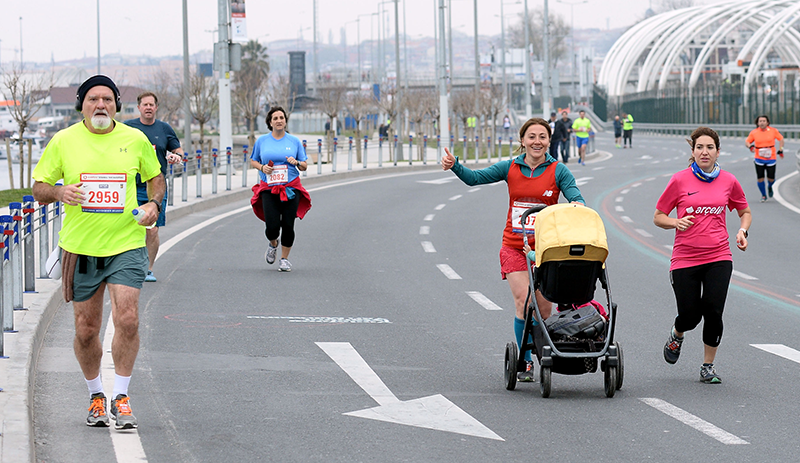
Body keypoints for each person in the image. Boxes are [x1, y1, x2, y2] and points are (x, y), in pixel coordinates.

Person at [31, 75, 164, 429]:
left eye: (107, 99)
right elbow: (38, 187)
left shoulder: (135, 139)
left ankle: (121, 396)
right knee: (86, 329)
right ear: (82, 105)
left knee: (128, 319)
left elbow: (156, 178)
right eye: (93, 100)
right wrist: (60, 193)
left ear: (117, 104)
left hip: (126, 244)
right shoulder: (63, 141)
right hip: (81, 249)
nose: (100, 105)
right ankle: (95, 395)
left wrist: (152, 204)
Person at [441, 118, 585, 382]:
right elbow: (475, 179)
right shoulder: (510, 168)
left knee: (543, 311)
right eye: (531, 137)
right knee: (524, 301)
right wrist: (455, 167)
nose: (537, 142)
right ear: (522, 141)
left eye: (542, 137)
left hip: (546, 250)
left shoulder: (558, 170)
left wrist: (575, 206)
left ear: (548, 141)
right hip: (514, 246)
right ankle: (525, 359)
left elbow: (576, 198)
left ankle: (544, 351)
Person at [654, 127, 751, 384]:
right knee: (690, 315)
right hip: (685, 258)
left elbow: (745, 211)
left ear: (718, 151)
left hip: (719, 255)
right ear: (693, 151)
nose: (704, 152)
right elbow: (658, 217)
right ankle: (677, 334)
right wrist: (675, 223)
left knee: (713, 310)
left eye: (709, 147)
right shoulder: (679, 180)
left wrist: (743, 231)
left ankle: (708, 365)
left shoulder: (729, 181)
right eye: (699, 147)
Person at [125, 92, 184, 282]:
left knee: (152, 229)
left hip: (156, 186)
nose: (148, 107)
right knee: (131, 228)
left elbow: (178, 150)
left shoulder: (164, 128)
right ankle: (130, 265)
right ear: (139, 107)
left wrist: (177, 157)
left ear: (156, 107)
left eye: (152, 104)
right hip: (132, 187)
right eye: (145, 104)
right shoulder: (128, 128)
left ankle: (148, 269)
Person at [250, 107, 312, 272]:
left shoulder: (294, 141)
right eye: (275, 118)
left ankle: (284, 259)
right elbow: (253, 161)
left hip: (291, 187)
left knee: (288, 224)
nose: (279, 121)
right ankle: (273, 243)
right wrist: (262, 168)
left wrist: (296, 163)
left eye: (281, 118)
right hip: (269, 188)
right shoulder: (262, 141)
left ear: (285, 121)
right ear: (270, 122)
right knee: (272, 226)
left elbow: (304, 165)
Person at [745, 114, 784, 202]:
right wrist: (750, 146)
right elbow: (747, 141)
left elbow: (781, 139)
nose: (762, 123)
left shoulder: (773, 131)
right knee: (760, 178)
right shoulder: (754, 132)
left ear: (767, 122)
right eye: (760, 121)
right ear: (757, 123)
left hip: (771, 158)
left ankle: (770, 187)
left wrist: (781, 150)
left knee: (771, 178)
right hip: (759, 158)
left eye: (763, 121)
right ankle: (763, 195)